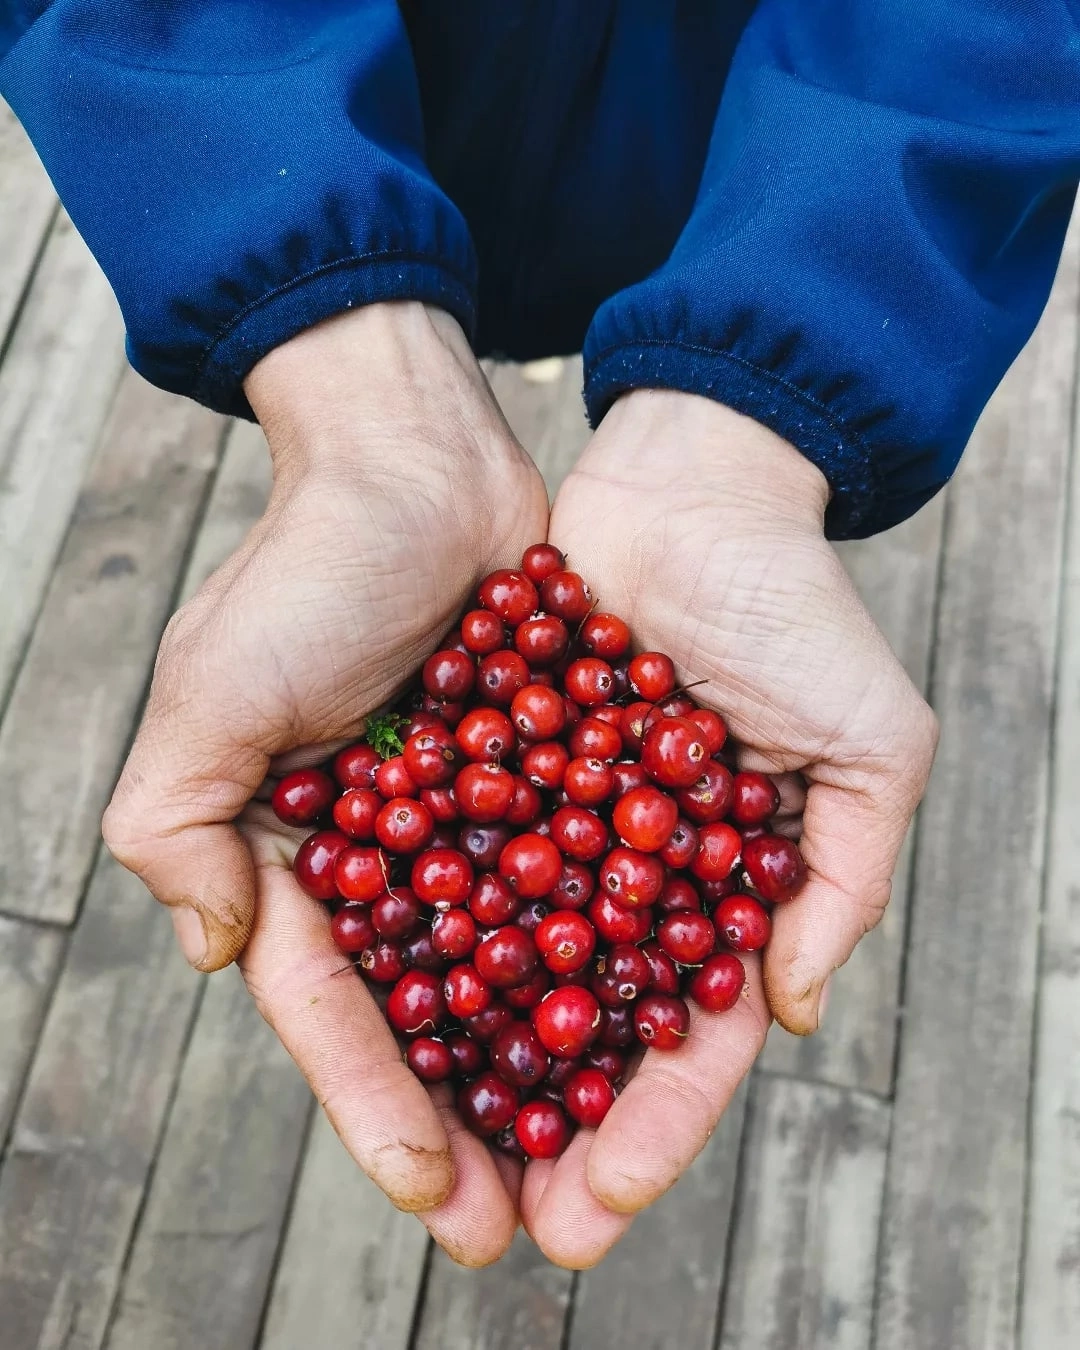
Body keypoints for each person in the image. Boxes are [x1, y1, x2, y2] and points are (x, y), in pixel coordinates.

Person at [1, 2, 1076, 1269]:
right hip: (349, 104)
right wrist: (344, 354)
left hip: (708, 145)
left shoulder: (535, 835)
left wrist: (776, 382)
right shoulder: (561, 839)